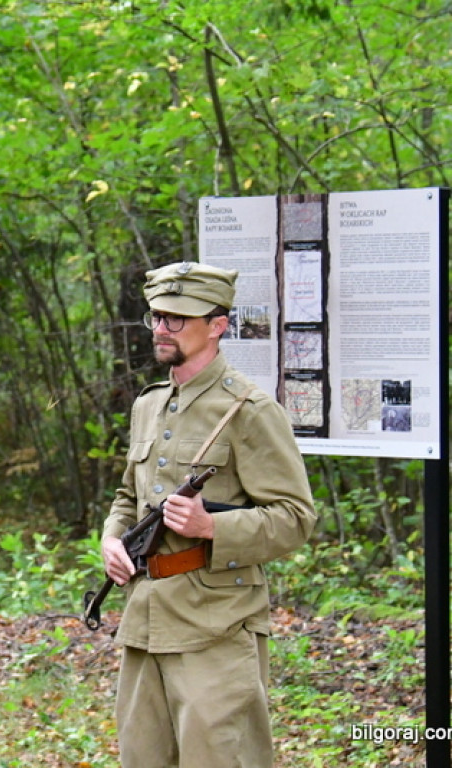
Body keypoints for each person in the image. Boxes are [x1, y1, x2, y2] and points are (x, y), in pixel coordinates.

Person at [101, 261, 317, 768]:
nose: (162, 329)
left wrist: (211, 526)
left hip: (217, 625)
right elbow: (127, 497)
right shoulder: (150, 405)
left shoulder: (250, 410)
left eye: (177, 318)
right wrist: (112, 539)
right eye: (157, 317)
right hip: (146, 619)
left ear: (217, 325)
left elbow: (295, 516)